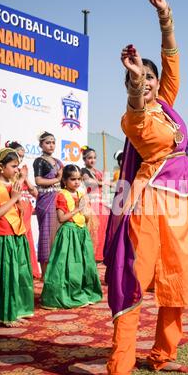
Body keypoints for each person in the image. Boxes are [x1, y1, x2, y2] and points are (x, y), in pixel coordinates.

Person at [97, 0, 188, 375]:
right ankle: (118, 373)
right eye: (137, 80)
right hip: (148, 204)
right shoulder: (135, 118)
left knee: (176, 282)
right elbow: (137, 108)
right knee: (132, 283)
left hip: (181, 204)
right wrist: (132, 81)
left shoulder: (168, 103)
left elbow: (171, 57)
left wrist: (164, 15)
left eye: (148, 79)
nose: (145, 85)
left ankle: (163, 353)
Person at [0, 147, 34, 326]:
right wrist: (13, 199)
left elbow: (19, 209)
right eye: (13, 166)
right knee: (1, 277)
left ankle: (15, 310)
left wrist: (19, 196)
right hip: (0, 237)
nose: (16, 170)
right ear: (1, 166)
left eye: (18, 166)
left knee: (16, 276)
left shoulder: (13, 185)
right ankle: (3, 314)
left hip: (15, 236)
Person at [41, 164, 102, 309]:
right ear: (65, 180)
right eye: (73, 179)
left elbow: (85, 214)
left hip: (81, 232)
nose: (77, 182)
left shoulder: (81, 194)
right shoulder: (62, 194)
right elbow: (61, 218)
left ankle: (82, 291)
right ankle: (63, 294)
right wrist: (77, 209)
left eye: (79, 179)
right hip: (68, 234)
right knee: (66, 266)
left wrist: (85, 214)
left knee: (84, 264)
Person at [5, 140, 40, 278]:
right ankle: (17, 272)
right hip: (14, 212)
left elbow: (34, 192)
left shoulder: (20, 172)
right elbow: (12, 190)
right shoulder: (8, 173)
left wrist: (25, 178)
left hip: (26, 211)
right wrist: (21, 178)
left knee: (27, 240)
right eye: (17, 155)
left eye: (22, 156)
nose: (20, 159)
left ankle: (29, 271)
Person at [33, 132, 63, 278]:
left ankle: (56, 273)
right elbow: (39, 181)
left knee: (59, 235)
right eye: (47, 142)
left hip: (58, 199)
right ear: (41, 145)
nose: (51, 145)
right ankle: (45, 276)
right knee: (46, 236)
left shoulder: (58, 162)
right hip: (46, 200)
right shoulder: (39, 161)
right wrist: (57, 179)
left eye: (53, 142)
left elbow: (64, 179)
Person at [81, 147, 110, 261]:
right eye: (89, 158)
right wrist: (102, 182)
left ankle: (99, 257)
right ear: (84, 159)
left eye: (94, 158)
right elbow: (89, 182)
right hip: (91, 204)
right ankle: (90, 257)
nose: (92, 160)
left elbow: (107, 186)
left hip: (101, 204)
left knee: (102, 231)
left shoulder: (98, 172)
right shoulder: (83, 171)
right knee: (93, 231)